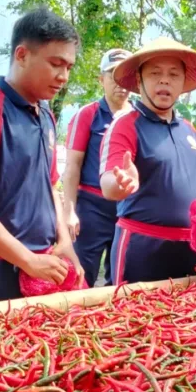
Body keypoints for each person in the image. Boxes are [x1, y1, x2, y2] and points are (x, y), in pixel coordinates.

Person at [0, 8, 84, 304]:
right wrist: (27, 259)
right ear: (21, 55)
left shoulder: (46, 114)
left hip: (41, 265)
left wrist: (64, 241)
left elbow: (50, 185)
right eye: (55, 64)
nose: (63, 76)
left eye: (69, 67)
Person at [99, 37, 196, 285]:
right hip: (141, 249)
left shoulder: (190, 132)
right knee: (133, 310)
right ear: (139, 80)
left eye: (173, 74)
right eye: (155, 73)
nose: (164, 80)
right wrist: (122, 183)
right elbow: (108, 184)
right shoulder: (126, 124)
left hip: (190, 251)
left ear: (183, 83)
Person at [63, 48, 132, 287]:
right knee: (81, 276)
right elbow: (72, 167)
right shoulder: (88, 115)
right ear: (101, 79)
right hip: (91, 208)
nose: (120, 82)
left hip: (126, 208)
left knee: (121, 279)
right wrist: (69, 211)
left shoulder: (139, 117)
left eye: (125, 75)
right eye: (113, 75)